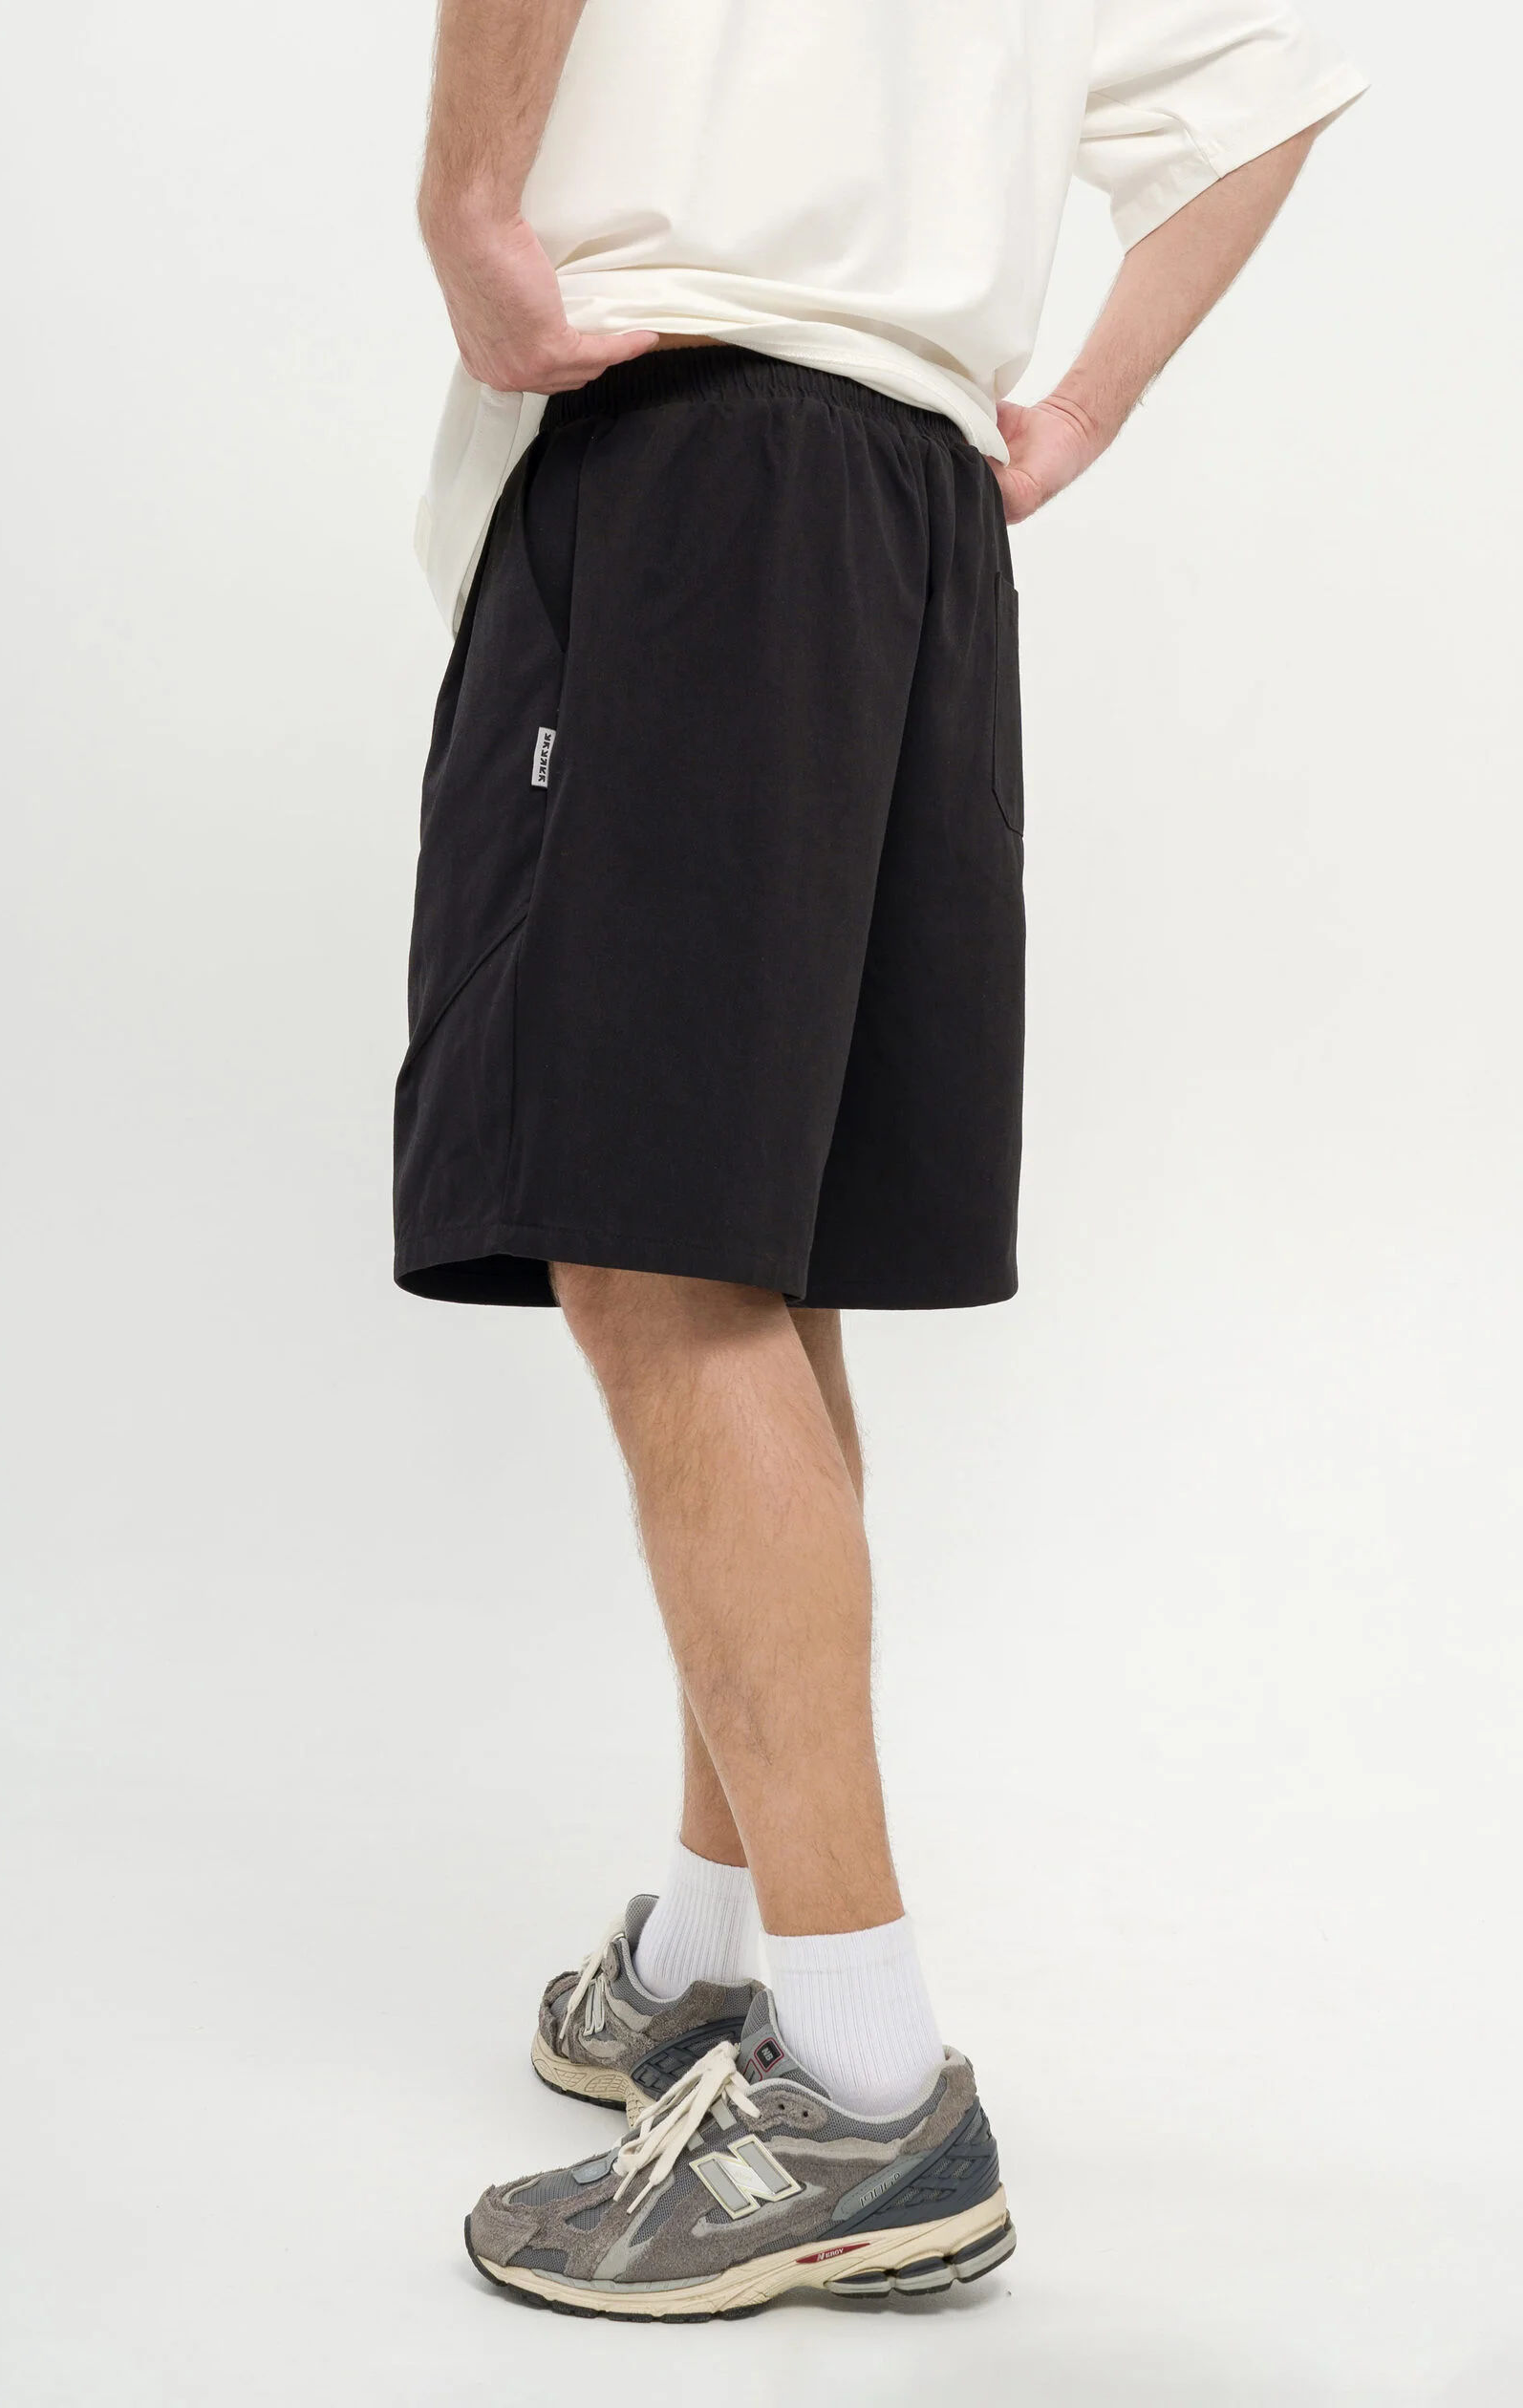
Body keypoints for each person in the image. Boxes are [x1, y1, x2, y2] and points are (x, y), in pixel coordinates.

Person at [394, 0, 1366, 2322]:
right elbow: (1265, 89)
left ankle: (861, 2089)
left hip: (696, 445)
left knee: (656, 1258)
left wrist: (470, 205)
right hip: (909, 501)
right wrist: (1082, 405)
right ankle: (712, 1957)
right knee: (752, 1249)